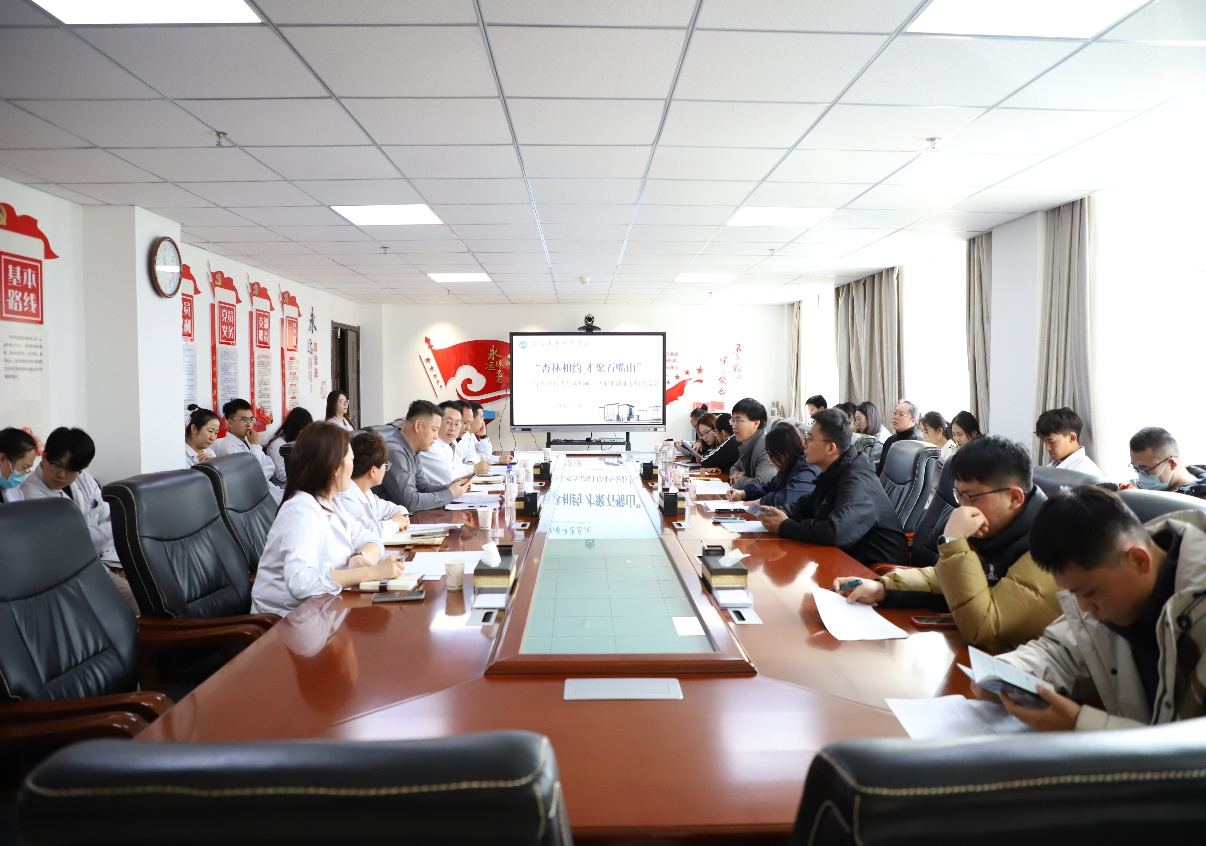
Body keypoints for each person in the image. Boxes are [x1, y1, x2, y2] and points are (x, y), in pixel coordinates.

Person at [988, 486, 1206, 731]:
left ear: (1138, 560)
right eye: (1075, 593)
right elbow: (1061, 652)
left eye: (1089, 593)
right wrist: (1007, 672)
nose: (1084, 607)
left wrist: (1080, 725)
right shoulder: (1114, 583)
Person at [836, 435, 1061, 650]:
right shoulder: (997, 524)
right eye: (959, 496)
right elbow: (942, 578)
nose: (963, 508)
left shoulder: (1050, 544)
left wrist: (954, 542)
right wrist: (881, 588)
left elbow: (984, 628)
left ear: (1015, 497)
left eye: (971, 497)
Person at [251, 423, 402, 617]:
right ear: (336, 468)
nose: (354, 468)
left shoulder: (332, 503)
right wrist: (370, 573)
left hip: (327, 609)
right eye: (351, 460)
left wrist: (360, 558)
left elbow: (372, 539)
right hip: (288, 621)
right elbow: (301, 582)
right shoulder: (301, 511)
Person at [757, 409, 908, 566]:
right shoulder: (834, 471)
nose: (803, 444)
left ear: (830, 448)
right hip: (846, 560)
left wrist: (784, 526)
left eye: (809, 439)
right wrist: (776, 512)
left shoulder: (857, 480)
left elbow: (836, 532)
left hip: (878, 570)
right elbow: (804, 505)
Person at [19, 427, 138, 612]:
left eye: (72, 469)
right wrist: (110, 528)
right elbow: (74, 542)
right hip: (80, 568)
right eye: (57, 465)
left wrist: (102, 530)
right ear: (44, 457)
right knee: (136, 600)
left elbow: (107, 518)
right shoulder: (31, 494)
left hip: (111, 556)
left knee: (159, 586)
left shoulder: (85, 481)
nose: (62, 475)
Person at [380, 400, 472, 512]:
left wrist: (449, 487)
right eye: (434, 430)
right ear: (418, 426)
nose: (436, 436)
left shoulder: (412, 449)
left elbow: (423, 487)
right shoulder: (394, 452)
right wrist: (450, 494)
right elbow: (410, 501)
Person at [725, 421, 820, 508]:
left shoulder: (807, 470)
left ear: (785, 452)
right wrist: (744, 493)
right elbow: (768, 486)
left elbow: (788, 498)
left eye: (771, 454)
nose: (769, 459)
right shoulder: (789, 467)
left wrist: (761, 501)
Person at [337, 430, 410, 539]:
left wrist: (399, 519)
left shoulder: (367, 493)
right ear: (373, 471)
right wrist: (395, 523)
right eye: (385, 464)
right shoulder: (345, 498)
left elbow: (399, 510)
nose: (386, 469)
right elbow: (368, 532)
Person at [212, 398, 282, 504]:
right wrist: (254, 445)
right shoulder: (228, 449)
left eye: (251, 419)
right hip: (253, 499)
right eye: (244, 420)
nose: (249, 424)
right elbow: (252, 477)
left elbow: (270, 465)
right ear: (229, 422)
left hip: (267, 489)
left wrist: (259, 476)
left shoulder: (248, 441)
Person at [1122, 427, 1206, 498]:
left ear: (1172, 464)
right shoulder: (1133, 489)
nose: (1140, 476)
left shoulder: (1200, 500)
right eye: (1136, 469)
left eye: (1145, 469)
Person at [1035, 406, 1103, 476]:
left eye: (1052, 441)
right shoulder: (1051, 466)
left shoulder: (1085, 472)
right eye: (1045, 441)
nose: (1047, 448)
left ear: (1072, 438)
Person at [727, 397, 776, 491]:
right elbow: (734, 468)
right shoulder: (748, 443)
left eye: (738, 420)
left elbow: (762, 484)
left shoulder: (767, 447)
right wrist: (736, 477)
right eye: (732, 421)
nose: (733, 426)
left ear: (756, 423)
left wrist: (739, 480)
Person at [418, 400, 467, 487]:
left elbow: (461, 470)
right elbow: (451, 479)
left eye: (457, 424)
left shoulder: (450, 443)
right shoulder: (429, 445)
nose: (453, 428)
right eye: (448, 422)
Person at [265, 406, 314, 485]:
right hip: (284, 488)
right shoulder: (277, 444)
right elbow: (282, 475)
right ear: (298, 429)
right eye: (306, 430)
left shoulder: (298, 442)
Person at [876, 399, 925, 475]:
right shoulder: (890, 440)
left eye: (901, 415)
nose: (895, 417)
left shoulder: (916, 444)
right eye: (895, 413)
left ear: (913, 421)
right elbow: (881, 469)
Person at [464, 400, 513, 465]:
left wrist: (483, 436)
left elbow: (486, 454)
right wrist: (498, 459)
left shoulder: (471, 435)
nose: (483, 422)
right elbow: (472, 458)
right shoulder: (462, 437)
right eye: (481, 417)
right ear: (471, 419)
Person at [0, 427, 38, 504]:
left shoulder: (15, 493)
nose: (24, 474)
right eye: (24, 467)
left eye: (27, 469)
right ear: (2, 458)